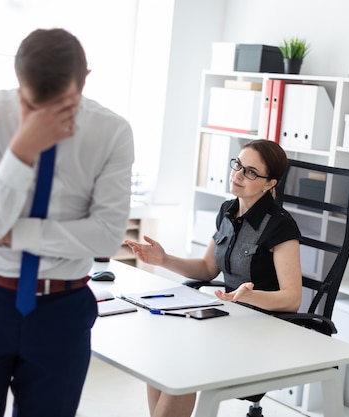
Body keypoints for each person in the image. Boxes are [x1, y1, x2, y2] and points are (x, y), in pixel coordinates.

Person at [0, 28, 134, 417]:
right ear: (17, 80)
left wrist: (15, 234)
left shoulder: (112, 131)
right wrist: (22, 149)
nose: (48, 116)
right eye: (34, 105)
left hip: (61, 310)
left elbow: (106, 238)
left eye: (63, 104)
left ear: (86, 80)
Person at [125, 139, 302, 417]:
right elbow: (208, 269)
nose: (238, 174)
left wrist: (249, 296)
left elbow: (292, 299)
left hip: (263, 330)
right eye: (239, 165)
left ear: (270, 184)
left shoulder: (281, 226)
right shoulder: (228, 211)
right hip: (229, 319)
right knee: (160, 357)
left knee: (182, 368)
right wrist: (164, 259)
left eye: (251, 172)